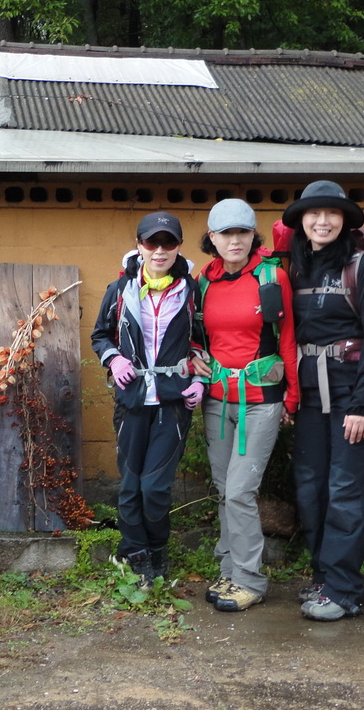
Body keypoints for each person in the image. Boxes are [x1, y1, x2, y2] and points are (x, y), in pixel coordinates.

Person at [282, 181, 364, 621]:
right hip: (308, 396)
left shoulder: (360, 267)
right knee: (310, 490)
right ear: (302, 221)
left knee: (346, 489)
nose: (322, 222)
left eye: (331, 214)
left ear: (344, 221)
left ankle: (345, 591)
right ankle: (325, 576)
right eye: (314, 214)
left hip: (351, 394)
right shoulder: (294, 267)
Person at [91, 212, 206, 587]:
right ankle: (135, 553)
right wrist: (115, 358)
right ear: (139, 246)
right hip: (132, 399)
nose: (159, 250)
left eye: (168, 243)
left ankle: (157, 550)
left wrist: (200, 382)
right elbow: (100, 335)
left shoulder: (191, 291)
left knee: (155, 487)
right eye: (151, 243)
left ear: (178, 247)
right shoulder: (120, 289)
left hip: (174, 400)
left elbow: (204, 341)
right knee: (130, 485)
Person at [195, 200, 298, 612]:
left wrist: (293, 395)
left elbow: (288, 336)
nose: (234, 240)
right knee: (224, 491)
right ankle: (230, 568)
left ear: (253, 235)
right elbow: (196, 334)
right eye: (225, 234)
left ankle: (250, 580)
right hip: (218, 400)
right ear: (212, 238)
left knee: (240, 490)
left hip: (261, 400)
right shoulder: (205, 280)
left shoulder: (272, 277)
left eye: (242, 232)